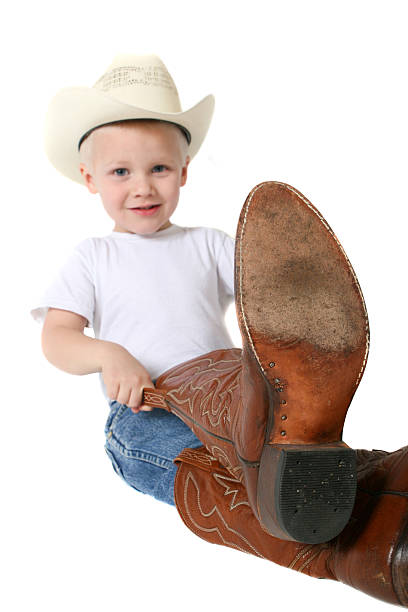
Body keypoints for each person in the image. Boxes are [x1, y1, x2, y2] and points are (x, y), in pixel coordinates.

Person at [31, 54, 408, 607]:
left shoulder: (206, 245)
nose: (143, 187)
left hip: (228, 392)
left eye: (159, 169)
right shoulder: (94, 257)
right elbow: (57, 338)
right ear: (89, 178)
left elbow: (271, 297)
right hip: (146, 414)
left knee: (275, 449)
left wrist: (296, 295)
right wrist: (108, 355)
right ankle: (360, 540)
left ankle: (372, 483)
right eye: (120, 172)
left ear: (183, 171)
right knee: (232, 479)